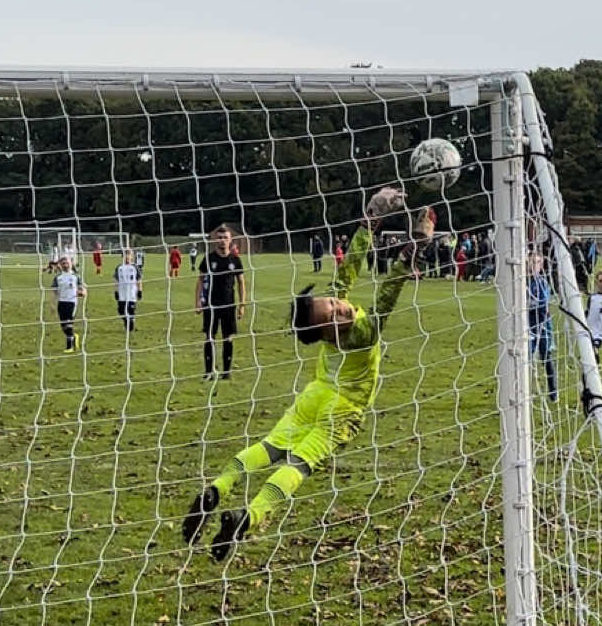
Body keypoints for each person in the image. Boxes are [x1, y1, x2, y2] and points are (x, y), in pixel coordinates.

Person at [182, 189, 428, 561]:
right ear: (328, 333)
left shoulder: (331, 322)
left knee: (269, 447)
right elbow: (387, 294)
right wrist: (414, 249)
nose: (340, 308)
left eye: (333, 303)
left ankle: (220, 486)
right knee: (298, 464)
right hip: (342, 409)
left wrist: (372, 218)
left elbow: (350, 268)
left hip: (313, 396)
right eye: (333, 314)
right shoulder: (360, 334)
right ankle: (248, 517)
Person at [196, 223, 246, 381]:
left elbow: (241, 283)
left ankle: (226, 372)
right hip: (211, 305)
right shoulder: (209, 259)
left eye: (225, 238)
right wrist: (198, 301)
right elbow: (200, 280)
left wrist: (242, 305)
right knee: (210, 337)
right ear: (215, 240)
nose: (222, 240)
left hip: (229, 305)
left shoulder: (235, 260)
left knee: (228, 337)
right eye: (219, 238)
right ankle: (209, 371)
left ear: (230, 240)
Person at [527, 254, 558, 403]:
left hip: (543, 325)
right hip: (527, 325)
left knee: (546, 358)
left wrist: (528, 304)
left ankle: (553, 393)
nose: (533, 265)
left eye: (536, 263)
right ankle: (526, 391)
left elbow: (542, 302)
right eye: (531, 262)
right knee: (526, 358)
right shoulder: (523, 282)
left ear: (541, 266)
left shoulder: (542, 282)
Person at [51, 254, 86, 352]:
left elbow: (83, 289)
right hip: (61, 302)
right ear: (60, 265)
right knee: (63, 326)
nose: (65, 265)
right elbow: (54, 291)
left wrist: (82, 293)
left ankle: (69, 347)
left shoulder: (75, 276)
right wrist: (53, 304)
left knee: (68, 323)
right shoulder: (58, 277)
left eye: (67, 263)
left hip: (71, 302)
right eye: (63, 263)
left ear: (71, 263)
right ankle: (74, 337)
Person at [114, 247, 142, 336]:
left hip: (131, 293)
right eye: (125, 255)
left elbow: (139, 280)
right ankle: (127, 321)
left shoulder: (135, 267)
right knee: (121, 310)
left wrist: (140, 291)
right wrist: (116, 291)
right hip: (122, 293)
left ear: (132, 256)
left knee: (131, 310)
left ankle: (131, 323)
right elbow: (116, 280)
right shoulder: (119, 267)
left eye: (129, 255)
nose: (127, 257)